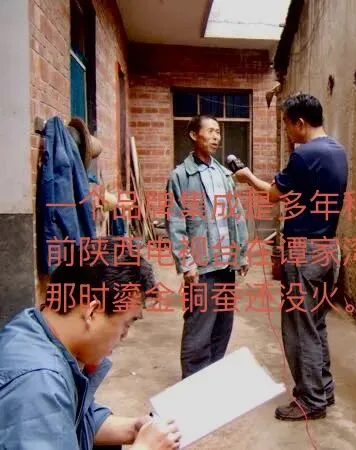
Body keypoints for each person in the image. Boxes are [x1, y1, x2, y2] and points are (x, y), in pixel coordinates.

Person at [0, 240, 181, 449]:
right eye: (126, 324)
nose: (124, 336)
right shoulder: (38, 383)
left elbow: (68, 421)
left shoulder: (36, 328)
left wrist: (133, 429)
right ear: (92, 312)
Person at [234, 93, 348, 421]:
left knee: (300, 328)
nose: (286, 131)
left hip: (304, 251)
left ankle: (310, 400)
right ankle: (323, 389)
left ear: (300, 122)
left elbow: (274, 194)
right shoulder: (337, 151)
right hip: (328, 248)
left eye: (286, 124)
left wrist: (246, 177)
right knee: (316, 323)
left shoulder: (304, 154)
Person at [166, 114, 249, 379]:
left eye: (218, 132)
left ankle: (211, 378)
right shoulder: (181, 176)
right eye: (210, 131)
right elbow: (175, 222)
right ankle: (192, 383)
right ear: (194, 135)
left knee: (222, 326)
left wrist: (241, 253)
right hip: (202, 265)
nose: (216, 137)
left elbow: (236, 215)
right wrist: (186, 263)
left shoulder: (224, 175)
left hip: (226, 263)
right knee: (199, 327)